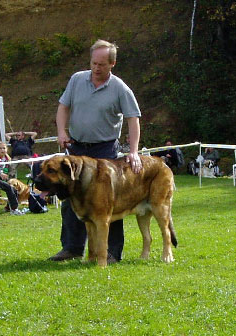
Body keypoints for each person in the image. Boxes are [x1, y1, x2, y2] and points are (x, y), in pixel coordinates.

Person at [49, 39, 142, 263]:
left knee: (108, 201)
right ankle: (71, 248)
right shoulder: (77, 80)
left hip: (104, 150)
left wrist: (134, 151)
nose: (96, 68)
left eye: (102, 64)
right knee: (70, 198)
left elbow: (133, 119)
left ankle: (111, 253)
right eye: (93, 63)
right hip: (77, 147)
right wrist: (61, 131)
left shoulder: (120, 88)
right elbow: (63, 107)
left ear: (113, 64)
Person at [0, 142, 24, 216]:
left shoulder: (7, 159)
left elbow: (8, 170)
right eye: (0, 148)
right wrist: (0, 174)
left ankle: (8, 207)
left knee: (15, 189)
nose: (2, 150)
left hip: (2, 179)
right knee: (8, 187)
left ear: (7, 149)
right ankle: (14, 209)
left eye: (4, 148)